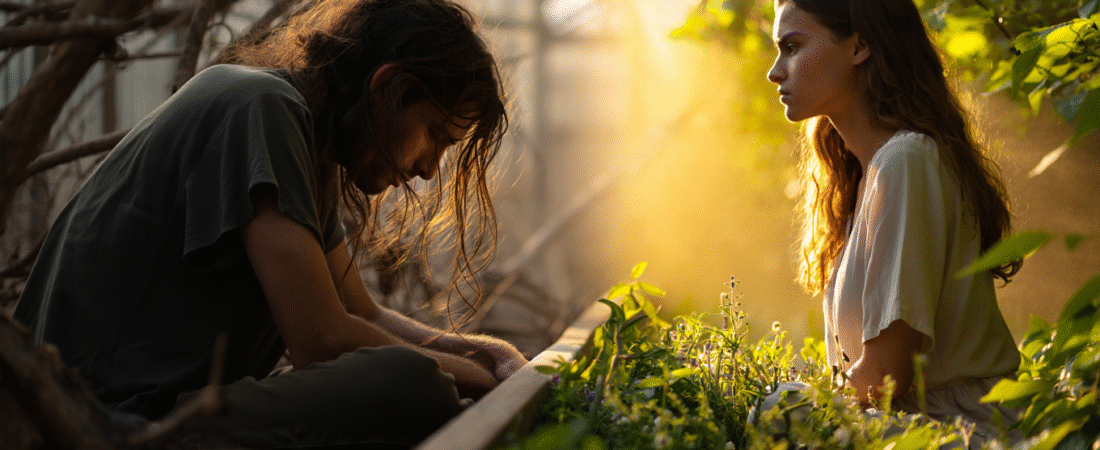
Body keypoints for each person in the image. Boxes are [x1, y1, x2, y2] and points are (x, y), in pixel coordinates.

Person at [13, 0, 527, 447]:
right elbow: (320, 339)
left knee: (421, 383)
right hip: (100, 420)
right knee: (413, 385)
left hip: (155, 409)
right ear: (387, 86)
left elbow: (363, 311)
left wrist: (486, 353)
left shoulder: (308, 145)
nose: (430, 168)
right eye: (434, 134)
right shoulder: (263, 108)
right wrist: (480, 380)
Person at [766, 0, 1022, 442]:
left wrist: (809, 401)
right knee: (783, 407)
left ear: (859, 46)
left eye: (792, 47)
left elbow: (885, 377)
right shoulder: (867, 174)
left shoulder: (905, 162)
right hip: (912, 424)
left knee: (782, 410)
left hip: (961, 430)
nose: (775, 72)